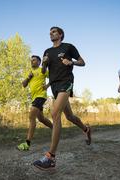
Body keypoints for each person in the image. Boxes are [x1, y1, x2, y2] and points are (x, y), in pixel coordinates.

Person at [33, 26, 91, 170]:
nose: (51, 34)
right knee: (70, 116)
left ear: (60, 34)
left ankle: (51, 157)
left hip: (66, 82)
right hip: (54, 86)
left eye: (53, 32)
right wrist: (44, 63)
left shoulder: (68, 47)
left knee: (54, 113)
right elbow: (43, 71)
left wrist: (71, 62)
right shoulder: (47, 51)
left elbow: (82, 62)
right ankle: (86, 129)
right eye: (50, 33)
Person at [17, 55, 53, 151]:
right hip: (34, 98)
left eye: (34, 60)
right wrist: (28, 77)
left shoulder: (42, 70)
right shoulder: (30, 73)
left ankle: (27, 143)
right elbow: (24, 85)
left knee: (31, 117)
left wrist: (47, 85)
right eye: (31, 60)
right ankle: (55, 129)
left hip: (41, 96)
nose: (32, 61)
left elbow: (53, 77)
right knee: (41, 119)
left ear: (39, 62)